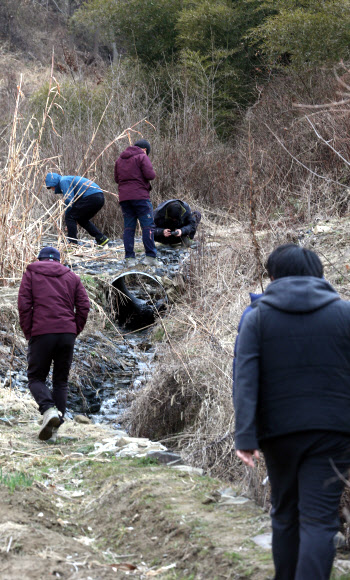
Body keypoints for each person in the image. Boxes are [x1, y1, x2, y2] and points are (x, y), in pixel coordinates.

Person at [234, 243, 350, 580]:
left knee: (284, 514)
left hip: (278, 433)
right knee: (320, 520)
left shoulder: (257, 318)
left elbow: (245, 379)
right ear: (319, 275)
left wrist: (246, 434)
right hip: (335, 433)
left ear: (273, 276)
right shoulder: (344, 315)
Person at [18, 246, 90, 441]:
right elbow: (84, 306)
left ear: (40, 259)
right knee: (60, 380)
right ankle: (55, 428)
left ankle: (49, 410)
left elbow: (24, 305)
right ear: (59, 261)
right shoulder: (72, 277)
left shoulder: (31, 274)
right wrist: (74, 330)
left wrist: (29, 332)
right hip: (67, 333)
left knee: (35, 378)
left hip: (42, 332)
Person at [114, 139, 158, 267]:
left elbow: (117, 179)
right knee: (148, 226)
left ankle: (129, 259)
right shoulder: (141, 156)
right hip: (140, 197)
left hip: (124, 198)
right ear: (144, 149)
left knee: (129, 228)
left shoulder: (119, 160)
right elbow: (150, 175)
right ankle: (150, 257)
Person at [45, 173, 109, 246]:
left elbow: (69, 200)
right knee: (82, 219)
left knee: (70, 216)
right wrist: (71, 224)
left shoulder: (63, 181)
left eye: (51, 187)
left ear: (54, 183)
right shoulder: (67, 179)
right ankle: (101, 238)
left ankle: (72, 243)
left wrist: (68, 218)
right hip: (99, 198)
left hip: (91, 197)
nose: (52, 190)